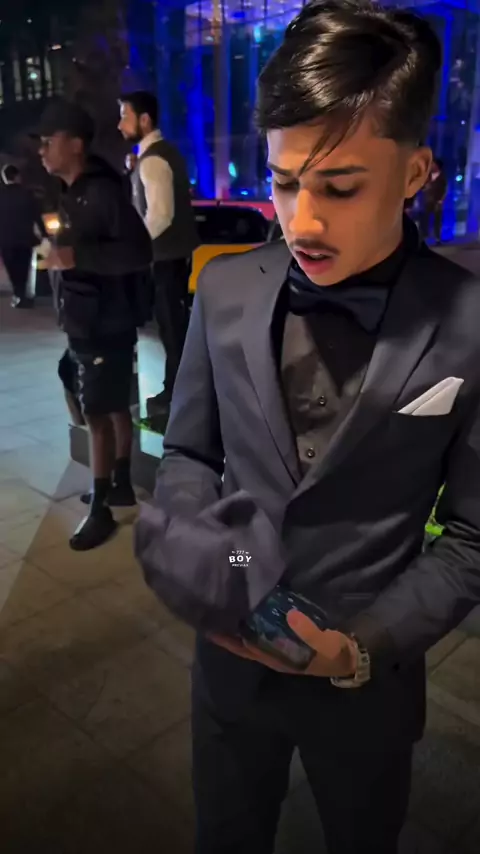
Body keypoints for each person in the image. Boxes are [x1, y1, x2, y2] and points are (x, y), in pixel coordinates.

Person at [135, 2, 480, 853]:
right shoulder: (225, 289)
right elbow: (190, 451)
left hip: (367, 684)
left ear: (415, 172)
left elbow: (474, 537)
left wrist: (359, 647)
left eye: (340, 186)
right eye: (284, 182)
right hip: (228, 667)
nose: (302, 221)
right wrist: (208, 555)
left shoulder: (469, 323)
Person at [37, 100, 152, 551]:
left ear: (76, 145)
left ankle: (100, 508)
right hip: (89, 318)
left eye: (49, 141)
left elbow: (138, 251)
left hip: (105, 320)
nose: (42, 150)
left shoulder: (102, 191)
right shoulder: (71, 191)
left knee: (96, 413)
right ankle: (119, 482)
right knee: (108, 400)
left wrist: (75, 256)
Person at [118, 91, 199, 414]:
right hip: (171, 256)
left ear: (144, 119)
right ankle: (178, 389)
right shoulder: (156, 155)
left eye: (124, 116)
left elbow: (160, 216)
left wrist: (134, 247)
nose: (120, 124)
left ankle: (178, 392)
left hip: (166, 257)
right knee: (171, 326)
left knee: (172, 328)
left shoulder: (153, 160)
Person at [0, 163, 46, 308]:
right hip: (24, 238)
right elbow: (37, 215)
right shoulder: (27, 194)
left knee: (12, 268)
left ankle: (18, 294)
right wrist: (44, 233)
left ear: (4, 178)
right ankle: (21, 295)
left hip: (5, 239)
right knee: (23, 268)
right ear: (17, 177)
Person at [420, 157, 447, 244]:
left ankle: (437, 238)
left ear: (437, 166)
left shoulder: (442, 177)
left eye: (433, 164)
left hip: (437, 202)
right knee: (425, 219)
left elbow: (445, 190)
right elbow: (422, 187)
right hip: (427, 201)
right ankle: (424, 236)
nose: (431, 166)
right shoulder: (427, 176)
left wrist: (441, 200)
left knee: (437, 220)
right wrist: (424, 188)